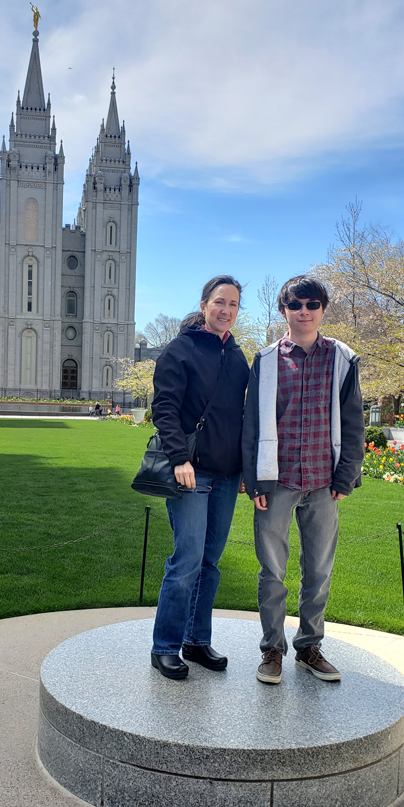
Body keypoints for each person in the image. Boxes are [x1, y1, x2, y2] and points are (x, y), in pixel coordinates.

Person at [242, 275, 365, 685]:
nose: (305, 312)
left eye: (312, 305)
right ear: (284, 311)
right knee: (272, 571)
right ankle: (272, 650)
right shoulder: (267, 359)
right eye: (296, 305)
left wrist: (346, 477)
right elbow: (251, 423)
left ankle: (309, 647)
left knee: (318, 571)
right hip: (277, 480)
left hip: (323, 481)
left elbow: (352, 424)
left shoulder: (343, 359)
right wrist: (256, 480)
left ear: (323, 309)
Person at [150, 275, 250, 679]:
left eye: (234, 305)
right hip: (191, 471)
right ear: (205, 304)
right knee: (187, 560)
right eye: (219, 302)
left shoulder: (239, 357)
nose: (226, 310)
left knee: (210, 563)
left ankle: (196, 639)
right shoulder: (181, 349)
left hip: (227, 475)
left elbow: (241, 418)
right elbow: (165, 408)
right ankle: (165, 646)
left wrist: (244, 470)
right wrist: (179, 458)